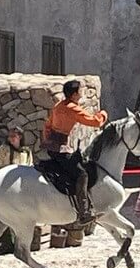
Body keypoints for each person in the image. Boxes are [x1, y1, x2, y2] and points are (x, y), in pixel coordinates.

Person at [40, 80, 108, 227]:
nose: (82, 93)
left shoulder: (59, 106)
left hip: (52, 147)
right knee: (81, 174)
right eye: (80, 91)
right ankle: (84, 212)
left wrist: (48, 140)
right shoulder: (72, 108)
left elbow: (48, 125)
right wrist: (103, 114)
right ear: (75, 94)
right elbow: (94, 122)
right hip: (62, 149)